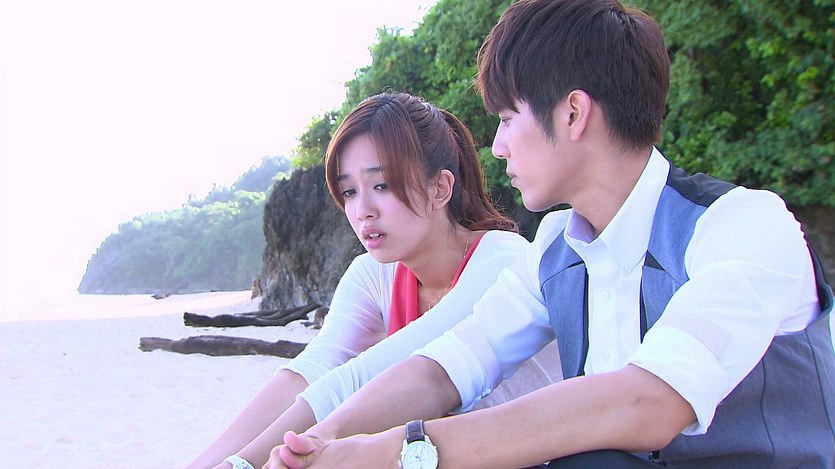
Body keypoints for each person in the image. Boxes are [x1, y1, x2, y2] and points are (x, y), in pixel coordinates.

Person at [268, 0, 835, 468]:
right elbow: (450, 364)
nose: (496, 146)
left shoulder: (742, 225)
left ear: (572, 114)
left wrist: (400, 452)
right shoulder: (556, 248)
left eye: (506, 118)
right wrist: (322, 440)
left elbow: (649, 403)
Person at [185, 91, 549, 469]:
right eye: (349, 192)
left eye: (382, 185)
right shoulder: (372, 274)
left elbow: (365, 376)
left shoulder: (501, 260)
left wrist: (242, 464)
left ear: (440, 188)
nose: (362, 211)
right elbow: (313, 369)